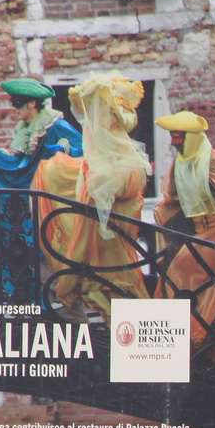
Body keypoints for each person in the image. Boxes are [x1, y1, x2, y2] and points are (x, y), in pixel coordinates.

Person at [34, 72, 151, 322]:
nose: (92, 123)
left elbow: (120, 182)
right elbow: (82, 175)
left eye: (99, 114)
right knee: (102, 285)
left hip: (114, 237)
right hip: (99, 236)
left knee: (118, 288)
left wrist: (100, 182)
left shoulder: (126, 160)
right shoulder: (97, 157)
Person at [0, 77, 82, 299]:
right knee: (21, 245)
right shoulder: (23, 128)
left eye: (17, 103)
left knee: (44, 248)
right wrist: (2, 157)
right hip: (26, 198)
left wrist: (60, 147)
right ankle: (29, 296)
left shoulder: (56, 124)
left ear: (32, 104)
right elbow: (22, 162)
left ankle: (55, 301)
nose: (13, 109)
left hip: (48, 196)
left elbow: (82, 146)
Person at [152, 110, 215, 361]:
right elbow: (174, 199)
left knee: (184, 269)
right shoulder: (180, 163)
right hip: (198, 233)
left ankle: (198, 341)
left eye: (180, 140)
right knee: (173, 273)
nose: (176, 146)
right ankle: (182, 344)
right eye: (173, 141)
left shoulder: (213, 160)